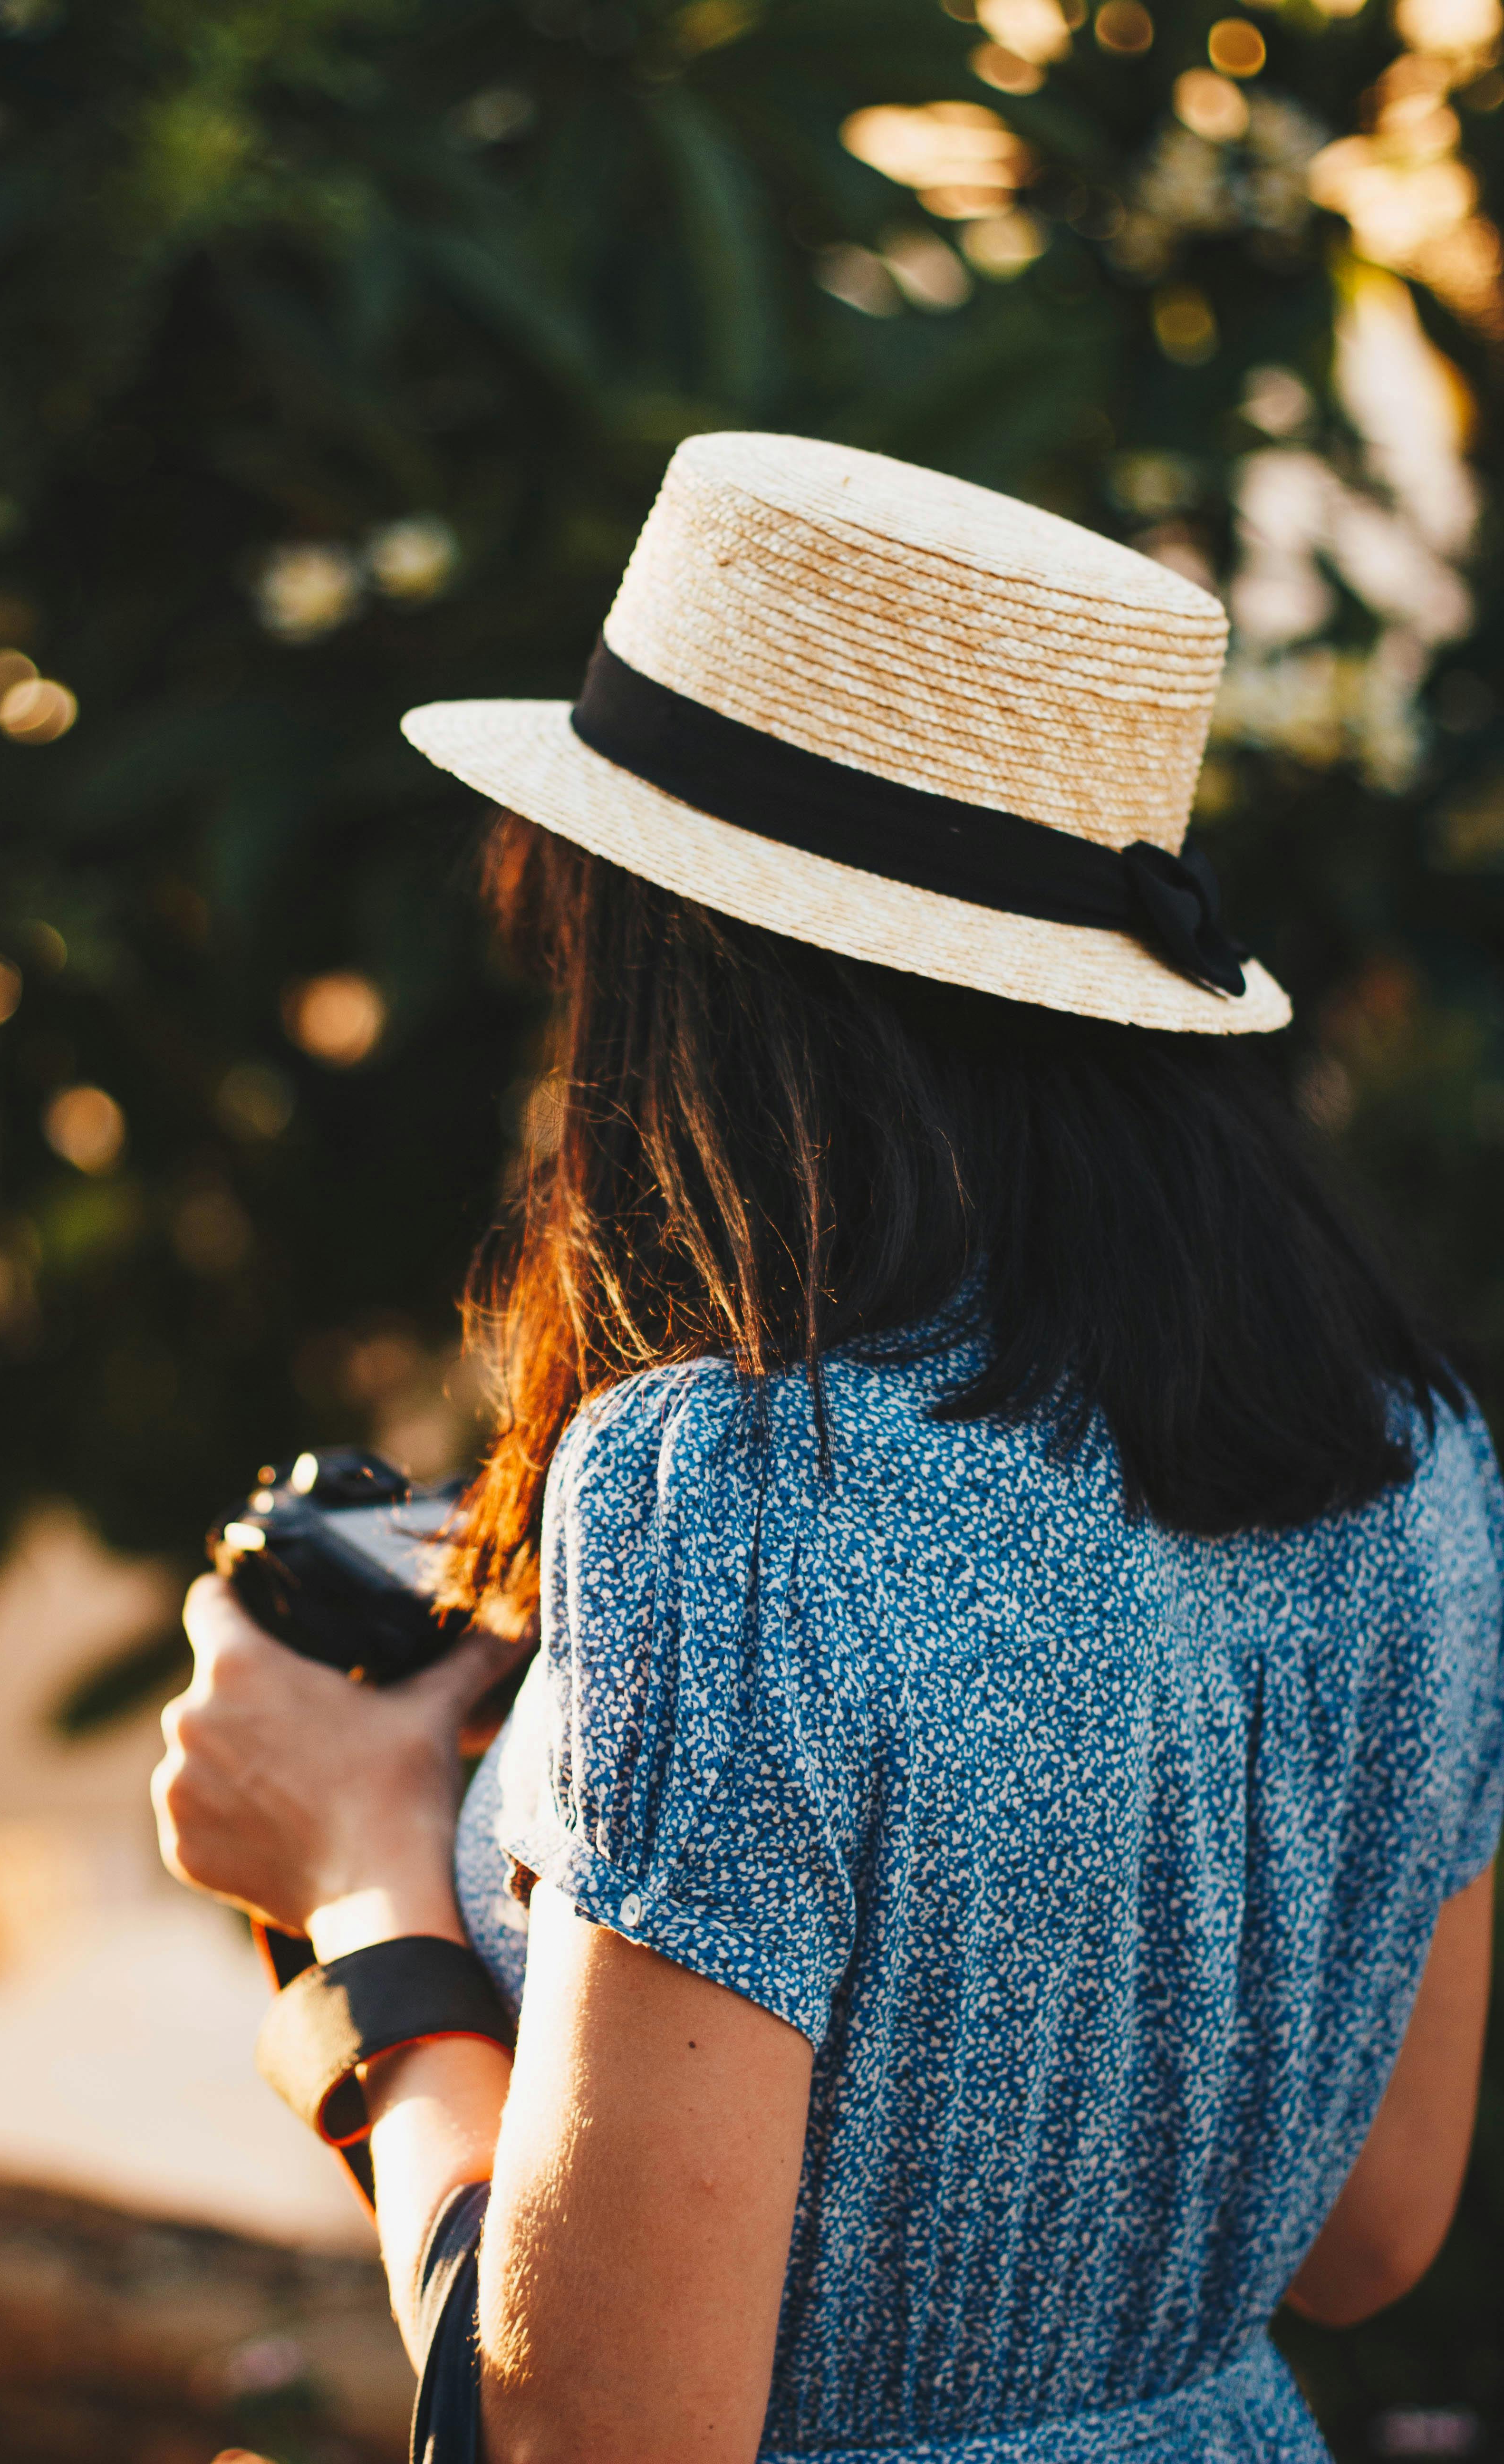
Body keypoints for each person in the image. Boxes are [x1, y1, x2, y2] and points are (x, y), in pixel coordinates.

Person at [154, 435, 1502, 2464]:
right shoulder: (1418, 1464)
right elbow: (1376, 2234)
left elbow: (596, 2436)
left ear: (674, 963)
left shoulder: (736, 1499)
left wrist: (355, 1887)